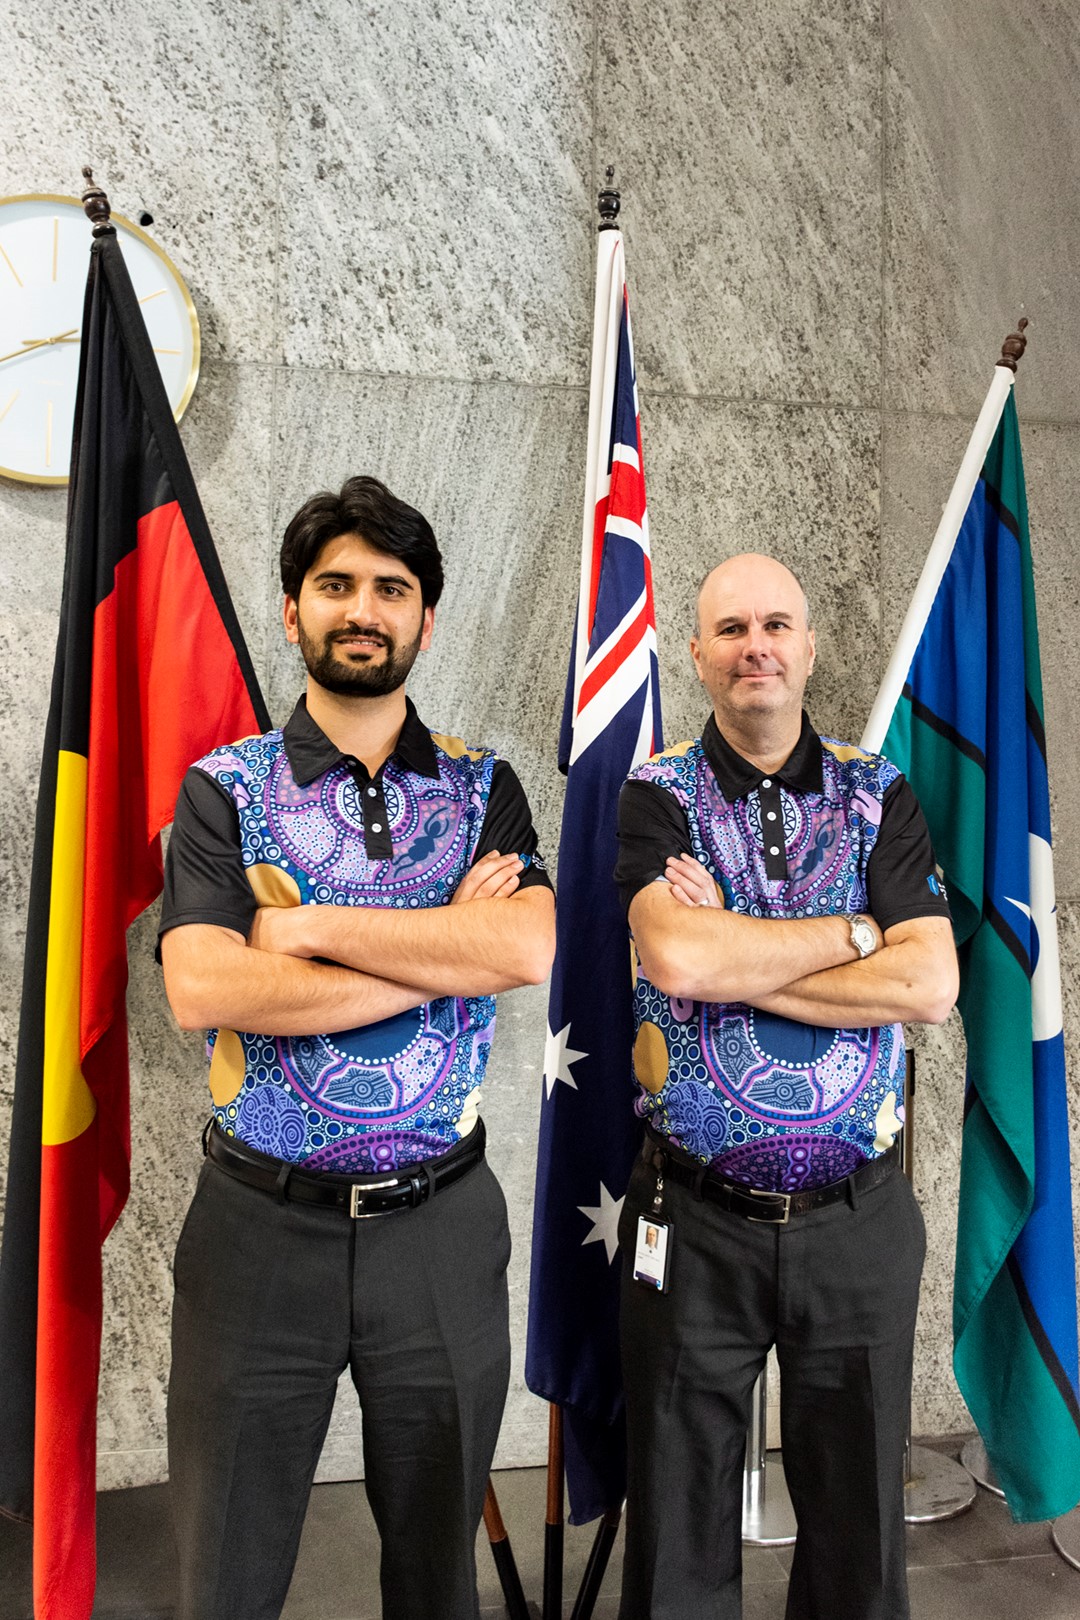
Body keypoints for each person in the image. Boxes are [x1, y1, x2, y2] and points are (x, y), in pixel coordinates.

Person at [159, 476, 555, 1620]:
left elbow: (526, 948)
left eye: (392, 588)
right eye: (335, 585)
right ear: (292, 612)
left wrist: (311, 932)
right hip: (256, 1235)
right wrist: (443, 948)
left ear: (427, 618)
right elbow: (205, 984)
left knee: (438, 1575)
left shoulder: (486, 785)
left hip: (439, 1230)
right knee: (226, 1573)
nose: (363, 608)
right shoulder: (223, 789)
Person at [613, 553, 958, 1620]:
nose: (755, 645)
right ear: (702, 654)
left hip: (856, 1222)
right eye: (730, 628)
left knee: (859, 1528)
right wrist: (857, 936)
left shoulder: (878, 793)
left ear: (808, 648)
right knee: (676, 1525)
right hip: (692, 1218)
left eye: (776, 624)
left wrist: (745, 944)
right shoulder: (654, 794)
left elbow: (929, 982)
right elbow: (681, 964)